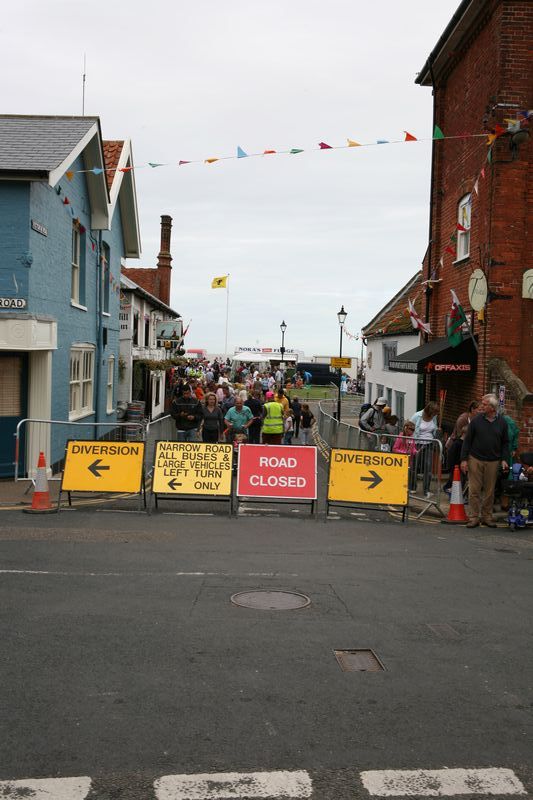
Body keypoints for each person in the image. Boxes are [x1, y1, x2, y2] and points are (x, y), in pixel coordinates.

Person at [460, 393, 509, 528]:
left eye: (485, 404)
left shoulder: (502, 423)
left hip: (493, 461)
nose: (482, 406)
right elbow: (467, 441)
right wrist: (464, 459)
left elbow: (505, 442)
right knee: (474, 490)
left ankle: (487, 516)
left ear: (492, 408)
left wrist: (504, 459)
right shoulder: (476, 421)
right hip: (475, 458)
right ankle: (474, 517)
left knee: (489, 491)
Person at [410, 401, 441, 498]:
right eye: (434, 413)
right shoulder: (417, 416)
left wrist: (437, 431)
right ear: (429, 410)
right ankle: (412, 487)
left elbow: (434, 430)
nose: (435, 415)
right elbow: (409, 428)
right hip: (417, 444)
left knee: (428, 467)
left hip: (429, 444)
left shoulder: (434, 417)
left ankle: (426, 490)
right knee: (414, 466)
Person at [393, 420, 418, 490]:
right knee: (401, 476)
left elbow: (413, 448)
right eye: (411, 429)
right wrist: (404, 453)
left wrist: (416, 451)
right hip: (401, 461)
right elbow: (395, 448)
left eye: (414, 430)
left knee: (408, 475)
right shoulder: (401, 436)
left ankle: (407, 489)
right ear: (406, 428)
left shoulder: (412, 437)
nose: (413, 431)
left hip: (409, 461)